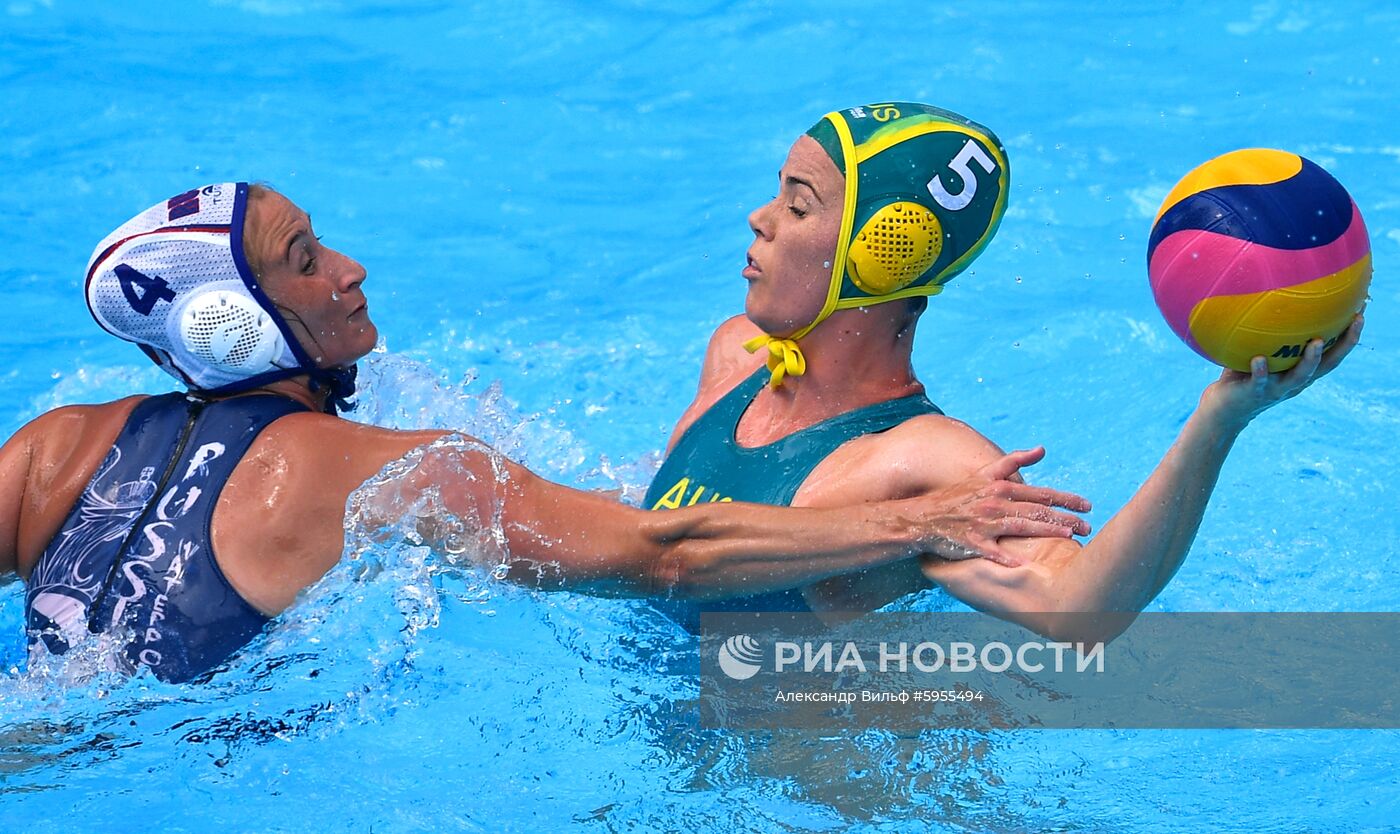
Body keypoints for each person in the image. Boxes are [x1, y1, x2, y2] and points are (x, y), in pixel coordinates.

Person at [0, 182, 1093, 684]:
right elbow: (667, 556)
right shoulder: (383, 468)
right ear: (230, 322)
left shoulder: (47, 450)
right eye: (307, 259)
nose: (348, 270)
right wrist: (918, 522)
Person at [646, 101, 1363, 636]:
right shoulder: (735, 354)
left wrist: (1220, 420)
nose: (757, 218)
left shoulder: (929, 463)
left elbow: (1079, 610)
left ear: (883, 252)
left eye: (796, 206)